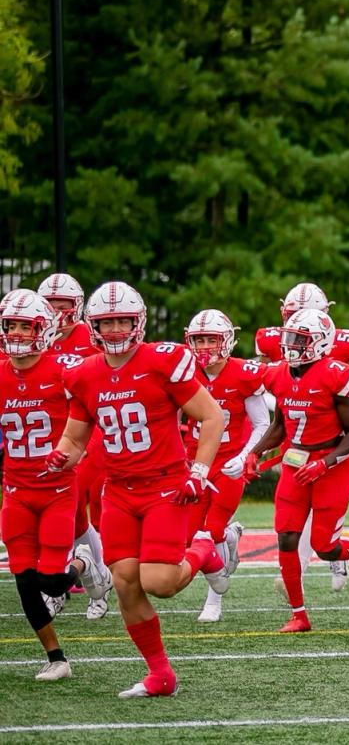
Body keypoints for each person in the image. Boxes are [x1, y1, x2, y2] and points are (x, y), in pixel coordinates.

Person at [51, 282, 230, 698]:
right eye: (106, 322)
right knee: (126, 581)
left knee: (160, 582)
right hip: (118, 492)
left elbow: (213, 416)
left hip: (166, 485)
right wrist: (57, 458)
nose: (114, 329)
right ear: (92, 325)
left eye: (122, 321)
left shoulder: (163, 361)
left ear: (138, 321)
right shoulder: (81, 373)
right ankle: (160, 674)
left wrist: (199, 471)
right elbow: (75, 439)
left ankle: (203, 549)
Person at [228, 308, 349, 632]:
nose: (290, 346)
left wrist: (325, 463)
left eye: (300, 340)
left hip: (332, 462)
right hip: (296, 462)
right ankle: (299, 614)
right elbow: (280, 425)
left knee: (326, 547)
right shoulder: (277, 374)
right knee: (287, 536)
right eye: (289, 338)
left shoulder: (336, 374)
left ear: (319, 342)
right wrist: (255, 453)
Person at [0, 289, 110, 681]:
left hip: (57, 490)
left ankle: (84, 563)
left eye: (24, 326)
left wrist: (77, 453)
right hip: (15, 491)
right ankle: (57, 657)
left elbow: (96, 413)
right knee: (25, 581)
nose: (15, 333)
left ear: (43, 330)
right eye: (10, 325)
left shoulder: (65, 370)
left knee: (52, 580)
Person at [256, 282, 349, 592]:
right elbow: (272, 399)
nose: (295, 327)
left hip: (330, 443)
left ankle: (333, 551)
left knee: (323, 527)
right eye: (292, 316)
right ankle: (297, 587)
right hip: (295, 439)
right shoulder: (277, 344)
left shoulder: (340, 352)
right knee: (290, 523)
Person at [183, 309, 269, 623]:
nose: (205, 346)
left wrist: (245, 455)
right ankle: (231, 539)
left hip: (229, 462)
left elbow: (263, 424)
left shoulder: (244, 373)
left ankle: (214, 600)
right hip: (195, 463)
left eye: (211, 339)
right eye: (199, 339)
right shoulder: (184, 370)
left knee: (212, 528)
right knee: (188, 536)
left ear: (227, 340)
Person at [38, 272, 111, 620]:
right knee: (71, 513)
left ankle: (59, 583)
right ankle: (97, 576)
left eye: (62, 305)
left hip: (89, 429)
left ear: (77, 306)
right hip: (49, 431)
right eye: (50, 305)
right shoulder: (35, 337)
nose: (56, 311)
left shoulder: (91, 336)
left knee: (71, 497)